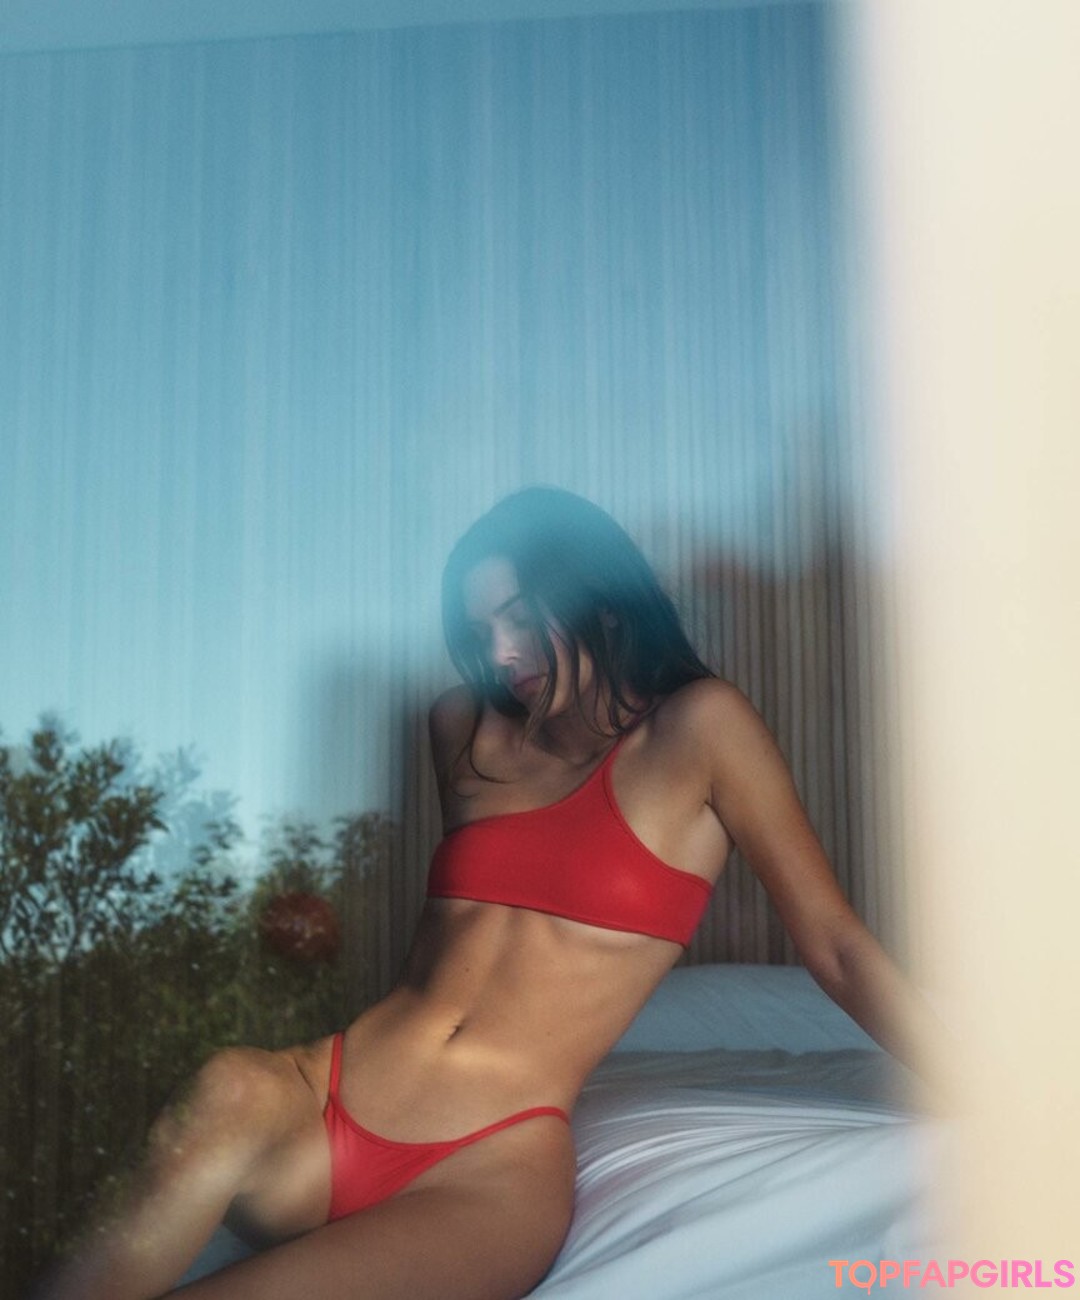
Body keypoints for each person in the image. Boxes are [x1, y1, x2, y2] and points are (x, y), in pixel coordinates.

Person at [41, 487, 939, 1300]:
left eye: (520, 619)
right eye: (481, 633)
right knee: (228, 1083)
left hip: (483, 1171)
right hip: (329, 1100)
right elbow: (460, 941)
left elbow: (835, 945)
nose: (502, 654)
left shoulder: (700, 728)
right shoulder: (462, 727)